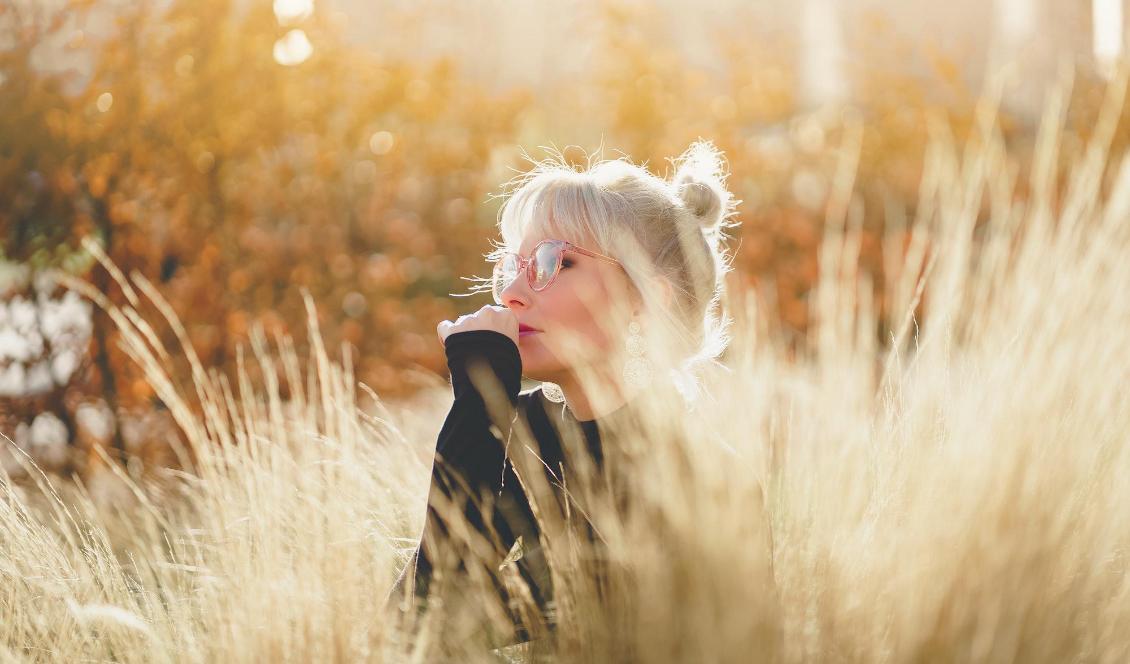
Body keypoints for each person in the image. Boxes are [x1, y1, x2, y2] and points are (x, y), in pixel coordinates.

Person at [395, 140, 738, 645]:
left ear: (644, 298)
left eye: (555, 261)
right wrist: (482, 403)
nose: (512, 292)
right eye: (513, 265)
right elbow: (410, 633)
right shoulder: (518, 435)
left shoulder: (702, 477)